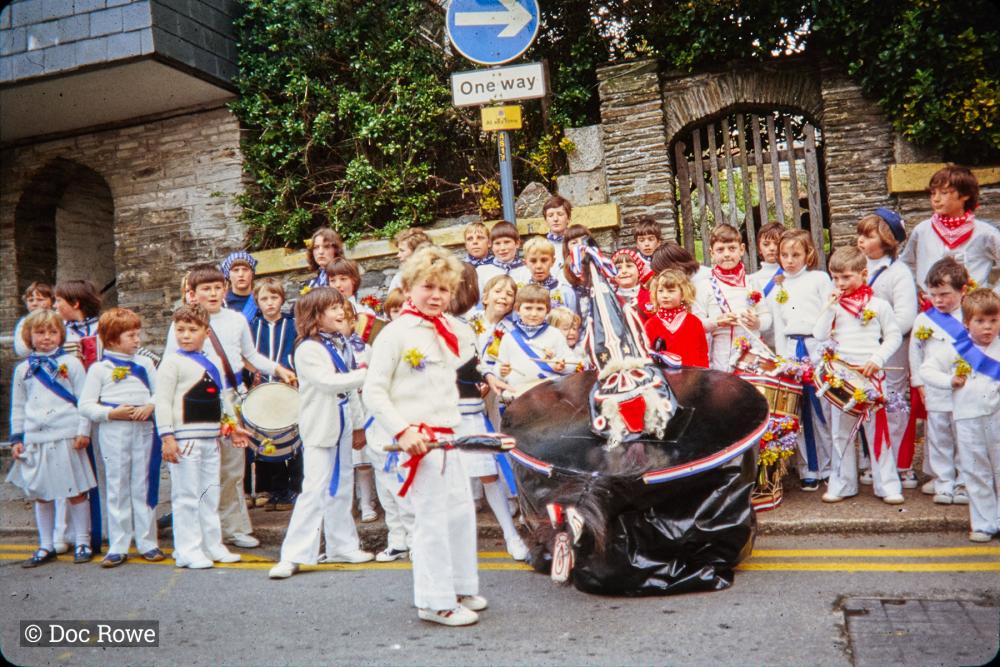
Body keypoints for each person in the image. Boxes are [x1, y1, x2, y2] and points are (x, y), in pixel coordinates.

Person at [363, 245, 486, 627]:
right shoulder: (395, 334)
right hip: (418, 440)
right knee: (431, 521)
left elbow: (471, 348)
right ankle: (435, 602)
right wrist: (402, 430)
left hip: (450, 436)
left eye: (444, 290)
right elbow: (374, 391)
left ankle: (460, 586)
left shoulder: (452, 329)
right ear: (409, 286)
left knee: (461, 514)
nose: (436, 296)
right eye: (428, 287)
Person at [164, 264, 296, 549]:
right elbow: (170, 368)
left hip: (232, 397)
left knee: (234, 469)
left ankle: (234, 527)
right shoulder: (183, 325)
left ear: (225, 289)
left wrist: (279, 369)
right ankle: (201, 533)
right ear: (194, 293)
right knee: (201, 470)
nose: (212, 294)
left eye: (216, 288)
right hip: (199, 402)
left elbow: (250, 356)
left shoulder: (236, 320)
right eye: (205, 289)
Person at [268, 288, 374, 578]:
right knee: (315, 489)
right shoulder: (308, 349)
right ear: (315, 317)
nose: (341, 312)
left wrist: (358, 424)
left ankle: (343, 546)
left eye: (341, 306)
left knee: (342, 486)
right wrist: (371, 372)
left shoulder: (342, 344)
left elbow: (348, 389)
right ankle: (293, 555)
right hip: (320, 424)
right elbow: (329, 382)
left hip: (341, 420)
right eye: (332, 309)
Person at [154, 304, 245, 568]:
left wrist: (232, 424)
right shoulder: (172, 362)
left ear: (206, 332)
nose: (185, 335)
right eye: (180, 330)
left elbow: (222, 398)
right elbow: (163, 402)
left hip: (210, 437)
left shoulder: (213, 361)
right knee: (186, 497)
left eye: (192, 330)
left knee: (209, 494)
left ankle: (211, 544)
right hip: (184, 439)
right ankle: (187, 550)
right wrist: (167, 437)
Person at [813, 246, 904, 505]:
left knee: (878, 432)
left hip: (871, 377)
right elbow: (819, 334)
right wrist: (829, 308)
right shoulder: (833, 306)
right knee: (840, 433)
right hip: (840, 378)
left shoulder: (879, 305)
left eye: (846, 277)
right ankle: (841, 483)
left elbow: (894, 335)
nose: (840, 283)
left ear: (863, 274)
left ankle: (887, 485)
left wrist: (877, 359)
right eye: (835, 277)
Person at [6, 311, 96, 567]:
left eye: (52, 332)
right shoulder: (23, 370)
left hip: (67, 435)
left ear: (61, 335)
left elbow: (83, 400)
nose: (46, 338)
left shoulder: (72, 364)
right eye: (40, 333)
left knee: (76, 491)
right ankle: (46, 544)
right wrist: (17, 438)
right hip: (37, 439)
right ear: (29, 337)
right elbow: (19, 406)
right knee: (41, 493)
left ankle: (82, 541)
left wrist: (83, 431)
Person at [450, 265, 526, 561]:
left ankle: (510, 532)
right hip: (453, 400)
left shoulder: (510, 330)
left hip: (486, 399)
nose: (503, 297)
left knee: (488, 463)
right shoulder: (468, 321)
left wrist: (491, 377)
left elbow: (490, 362)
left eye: (510, 293)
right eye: (498, 291)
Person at [79, 308, 162, 567]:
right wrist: (110, 413)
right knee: (117, 486)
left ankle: (148, 542)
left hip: (143, 428)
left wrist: (151, 405)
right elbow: (86, 405)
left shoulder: (146, 363)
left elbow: (161, 392)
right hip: (114, 431)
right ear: (113, 339)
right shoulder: (99, 369)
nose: (138, 340)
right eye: (131, 335)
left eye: (138, 334)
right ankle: (118, 544)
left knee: (143, 484)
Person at [920, 288, 1000, 542]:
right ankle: (984, 522)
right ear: (967, 323)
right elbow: (927, 370)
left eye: (993, 321)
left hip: (997, 418)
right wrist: (949, 380)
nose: (987, 327)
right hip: (967, 418)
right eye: (980, 321)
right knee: (975, 471)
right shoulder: (957, 349)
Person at [855, 209, 919, 488]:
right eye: (860, 234)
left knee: (891, 402)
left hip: (890, 349)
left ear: (887, 239)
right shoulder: (859, 268)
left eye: (868, 236)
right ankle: (872, 459)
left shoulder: (898, 272)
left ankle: (895, 461)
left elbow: (905, 316)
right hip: (861, 348)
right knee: (866, 401)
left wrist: (882, 337)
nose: (861, 241)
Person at [771, 229, 834, 491]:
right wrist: (782, 359)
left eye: (795, 254)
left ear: (808, 255)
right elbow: (777, 324)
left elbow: (830, 310)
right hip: (791, 349)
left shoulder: (819, 279)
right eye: (784, 255)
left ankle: (831, 467)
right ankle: (809, 468)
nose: (789, 260)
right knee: (798, 412)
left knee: (823, 410)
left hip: (815, 346)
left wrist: (825, 349)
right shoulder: (778, 285)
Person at [908, 258, 969, 505]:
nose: (939, 301)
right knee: (938, 437)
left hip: (965, 389)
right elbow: (916, 352)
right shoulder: (924, 320)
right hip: (935, 388)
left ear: (962, 290)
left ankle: (964, 481)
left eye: (945, 294)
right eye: (933, 295)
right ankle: (943, 481)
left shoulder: (970, 315)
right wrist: (918, 382)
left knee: (964, 437)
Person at [363, 296, 416, 562]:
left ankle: (415, 538)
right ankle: (397, 539)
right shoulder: (375, 343)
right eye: (394, 310)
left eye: (402, 309)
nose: (399, 315)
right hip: (375, 422)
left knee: (402, 484)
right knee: (385, 487)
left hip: (400, 421)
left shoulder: (414, 344)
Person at [899, 165, 1000, 294]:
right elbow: (906, 265)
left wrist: (993, 298)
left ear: (965, 195)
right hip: (930, 309)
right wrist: (914, 291)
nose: (936, 199)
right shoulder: (922, 230)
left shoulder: (985, 233)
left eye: (944, 193)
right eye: (933, 193)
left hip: (971, 310)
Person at [247, 278, 300, 511]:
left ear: (282, 299)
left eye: (274, 297)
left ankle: (292, 488)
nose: (270, 303)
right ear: (257, 301)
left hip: (288, 387)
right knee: (267, 440)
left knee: (292, 440)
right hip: (262, 389)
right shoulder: (251, 327)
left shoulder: (293, 324)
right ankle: (274, 489)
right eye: (264, 299)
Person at [693, 224, 771, 372]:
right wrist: (716, 322)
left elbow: (766, 316)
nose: (727, 254)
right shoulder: (704, 286)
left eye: (732, 248)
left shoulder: (752, 282)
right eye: (720, 250)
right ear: (712, 253)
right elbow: (696, 326)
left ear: (741, 249)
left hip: (752, 357)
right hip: (721, 359)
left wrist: (757, 323)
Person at [496, 285, 577, 390]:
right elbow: (498, 366)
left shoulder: (555, 334)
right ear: (517, 309)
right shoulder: (508, 338)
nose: (534, 314)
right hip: (518, 393)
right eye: (528, 308)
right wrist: (501, 371)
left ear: (547, 311)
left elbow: (572, 363)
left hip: (549, 392)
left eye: (539, 309)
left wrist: (562, 367)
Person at [644, 269, 709, 368]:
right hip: (664, 379)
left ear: (683, 294)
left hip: (691, 377)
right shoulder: (650, 324)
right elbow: (647, 356)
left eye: (671, 291)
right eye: (660, 291)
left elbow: (703, 354)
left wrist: (702, 377)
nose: (665, 296)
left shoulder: (694, 322)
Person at [749, 222, 786, 348]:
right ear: (759, 248)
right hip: (762, 345)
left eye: (776, 243)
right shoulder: (751, 280)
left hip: (788, 343)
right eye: (766, 244)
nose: (772, 248)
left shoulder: (791, 277)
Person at [55, 279, 103, 369]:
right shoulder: (58, 330)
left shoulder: (104, 328)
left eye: (58, 300)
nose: (55, 305)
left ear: (75, 304)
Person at [523, 236, 576, 313]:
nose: (539, 266)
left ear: (553, 261)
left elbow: (575, 322)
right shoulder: (522, 293)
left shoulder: (565, 292)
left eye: (544, 260)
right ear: (525, 263)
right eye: (533, 261)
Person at [476, 220, 532, 294]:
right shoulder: (482, 272)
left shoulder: (528, 271)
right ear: (491, 245)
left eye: (507, 242)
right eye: (497, 243)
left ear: (517, 243)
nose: (502, 248)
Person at [13, 282, 54, 358]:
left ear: (51, 301)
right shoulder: (24, 323)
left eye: (40, 299)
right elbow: (22, 351)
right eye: (30, 300)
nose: (34, 303)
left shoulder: (58, 320)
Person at [611, 248, 655, 320]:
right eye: (618, 268)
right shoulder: (611, 299)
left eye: (629, 266)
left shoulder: (651, 297)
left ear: (639, 271)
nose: (624, 271)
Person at [388, 228, 433, 293]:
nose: (398, 255)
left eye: (402, 250)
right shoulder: (399, 279)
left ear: (418, 251)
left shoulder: (441, 275)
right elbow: (392, 302)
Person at [221, 251, 259, 323]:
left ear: (252, 273)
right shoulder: (222, 303)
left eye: (245, 269)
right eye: (236, 270)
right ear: (228, 275)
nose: (241, 274)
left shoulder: (260, 300)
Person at [542, 195, 572, 273]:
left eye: (560, 214)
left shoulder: (576, 243)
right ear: (546, 220)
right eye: (550, 215)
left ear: (568, 218)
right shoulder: (541, 246)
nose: (555, 219)